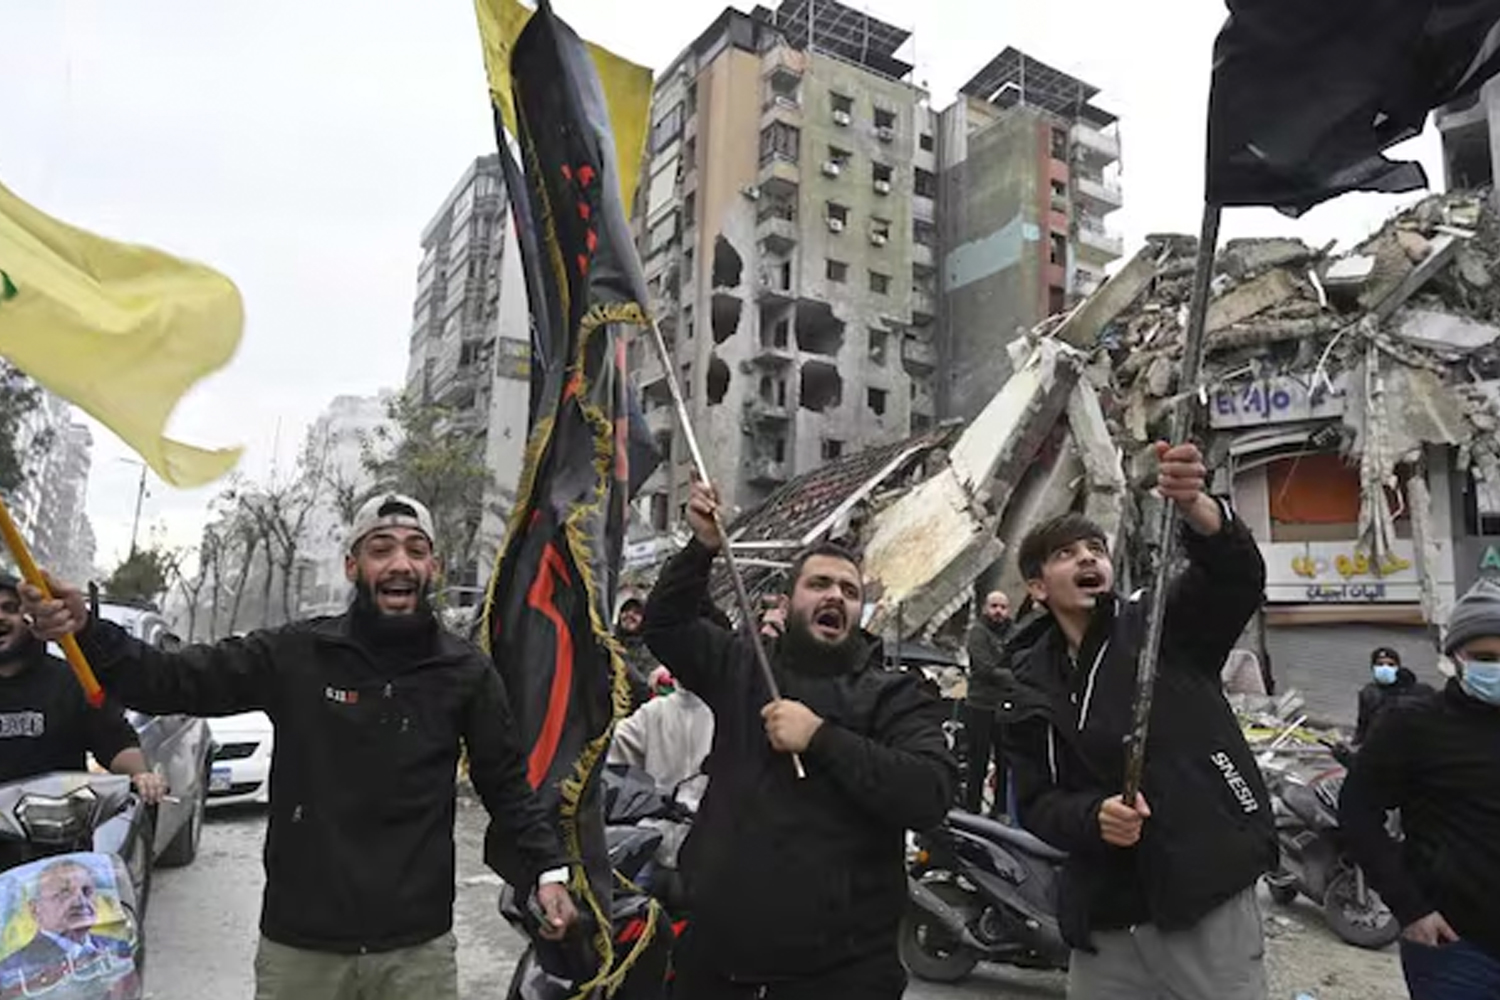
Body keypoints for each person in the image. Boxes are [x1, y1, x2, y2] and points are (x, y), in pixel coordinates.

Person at [22, 494, 577, 1000]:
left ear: (434, 568)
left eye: (415, 550)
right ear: (352, 567)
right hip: (301, 950)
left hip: (417, 953)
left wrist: (546, 872)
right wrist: (87, 629)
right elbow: (172, 679)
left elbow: (504, 783)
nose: (400, 563)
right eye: (380, 549)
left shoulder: (465, 672)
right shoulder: (298, 654)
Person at [643, 481, 956, 999]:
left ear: (861, 613)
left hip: (840, 973)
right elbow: (665, 624)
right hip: (716, 962)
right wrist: (700, 548)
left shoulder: (895, 694)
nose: (835, 595)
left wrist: (822, 738)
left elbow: (929, 793)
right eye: (820, 584)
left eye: (849, 591)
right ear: (787, 603)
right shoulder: (742, 665)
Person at [1001, 442, 1275, 1000]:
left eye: (1096, 549)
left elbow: (1233, 580)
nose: (1088, 559)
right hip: (1103, 913)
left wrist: (1199, 508)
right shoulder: (1027, 683)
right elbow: (1036, 802)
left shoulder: (1159, 629)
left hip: (1201, 889)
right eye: (1066, 553)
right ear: (1036, 587)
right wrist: (1091, 816)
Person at [1340, 580, 1500, 998]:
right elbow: (1358, 812)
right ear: (1455, 659)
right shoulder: (1413, 725)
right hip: (1455, 948)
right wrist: (1410, 907)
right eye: (1486, 658)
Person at [0, 575, 166, 803]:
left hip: (53, 830)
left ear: (31, 617)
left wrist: (140, 775)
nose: (0, 618)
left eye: (9, 609)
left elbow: (114, 740)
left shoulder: (72, 681)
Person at [0, 859, 134, 981]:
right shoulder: (13, 968)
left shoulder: (117, 945)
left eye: (87, 891)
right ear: (35, 909)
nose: (81, 901)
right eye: (64, 892)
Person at [963, 590, 1014, 817]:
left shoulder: (1014, 633)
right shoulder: (977, 633)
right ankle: (972, 809)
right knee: (978, 760)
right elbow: (985, 669)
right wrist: (1011, 675)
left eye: (1002, 607)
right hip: (980, 705)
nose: (998, 611)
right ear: (985, 608)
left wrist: (1007, 672)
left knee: (1006, 761)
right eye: (994, 606)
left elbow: (1022, 660)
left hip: (1005, 708)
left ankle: (1000, 808)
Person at [1353, 645, 1434, 744]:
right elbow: (1363, 726)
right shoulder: (1369, 693)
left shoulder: (1419, 690)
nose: (1385, 668)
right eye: (1380, 664)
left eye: (1391, 665)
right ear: (1373, 668)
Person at [616, 597, 656, 710]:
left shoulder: (650, 650)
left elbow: (646, 689)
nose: (629, 615)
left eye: (637, 613)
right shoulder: (609, 640)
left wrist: (622, 660)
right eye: (626, 610)